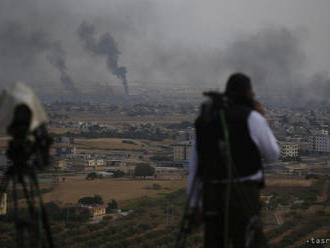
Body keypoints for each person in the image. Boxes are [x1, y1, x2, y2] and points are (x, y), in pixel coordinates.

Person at [187, 73, 280, 248]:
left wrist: (193, 205)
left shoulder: (208, 119)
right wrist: (262, 118)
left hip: (212, 194)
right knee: (249, 240)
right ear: (248, 92)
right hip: (244, 193)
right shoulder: (252, 117)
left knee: (214, 241)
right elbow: (273, 154)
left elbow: (195, 166)